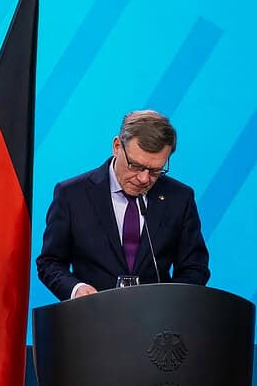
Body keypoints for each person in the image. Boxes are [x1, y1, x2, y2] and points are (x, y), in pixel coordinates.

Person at [36, 110, 209, 301]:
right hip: (92, 315)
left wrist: (170, 303)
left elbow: (194, 267)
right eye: (135, 166)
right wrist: (77, 289)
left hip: (157, 317)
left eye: (155, 170)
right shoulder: (72, 194)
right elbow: (50, 262)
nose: (144, 178)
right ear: (117, 146)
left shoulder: (179, 198)